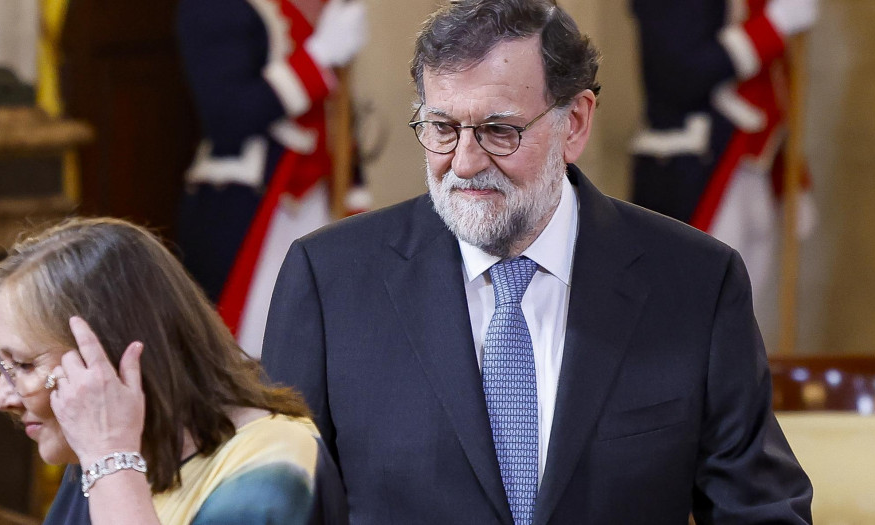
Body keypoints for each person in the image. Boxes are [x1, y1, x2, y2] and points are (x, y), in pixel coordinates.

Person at [261, 0, 812, 523]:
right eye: (442, 128)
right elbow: (278, 507)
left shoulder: (696, 283)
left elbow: (758, 510)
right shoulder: (328, 281)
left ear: (574, 123)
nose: (467, 163)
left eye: (500, 131)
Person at [0, 218, 344, 524]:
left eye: (25, 364)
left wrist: (110, 461)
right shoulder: (97, 449)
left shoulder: (272, 460)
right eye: (3, 366)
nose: (3, 398)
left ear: (114, 353)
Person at [175, 0, 369, 356]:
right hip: (249, 204)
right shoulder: (213, 7)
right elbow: (226, 116)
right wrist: (317, 58)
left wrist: (356, 191)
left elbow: (336, 114)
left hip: (322, 199)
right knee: (248, 349)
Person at [630, 0, 818, 321]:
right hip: (693, 169)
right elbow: (676, 74)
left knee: (744, 323)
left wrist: (790, 177)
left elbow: (769, 88)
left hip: (750, 165)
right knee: (691, 319)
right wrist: (770, 28)